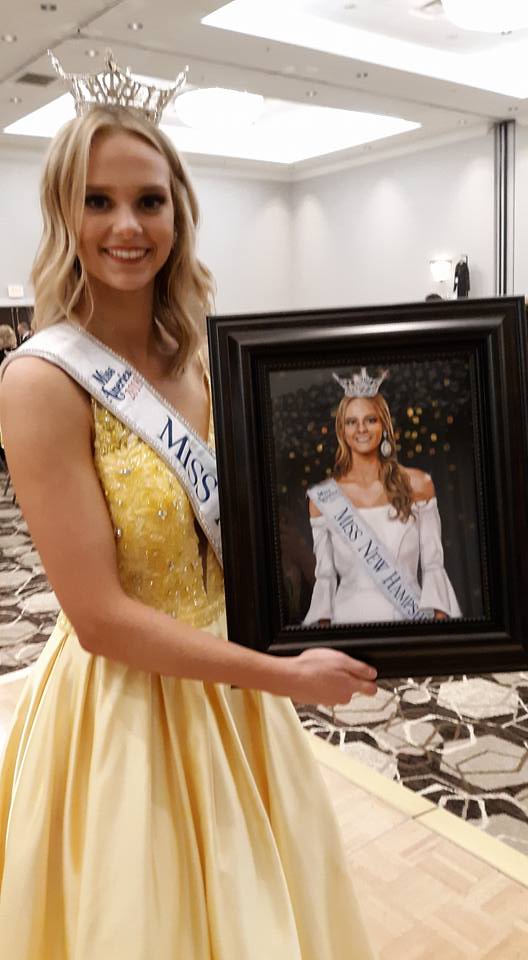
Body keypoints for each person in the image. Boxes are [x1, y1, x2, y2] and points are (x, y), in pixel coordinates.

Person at [0, 54, 378, 959]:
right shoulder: (41, 381)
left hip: (237, 677)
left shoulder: (208, 355)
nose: (127, 226)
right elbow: (96, 620)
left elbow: (252, 531)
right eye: (97, 201)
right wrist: (290, 678)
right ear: (63, 214)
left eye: (150, 200)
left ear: (180, 210)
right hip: (129, 700)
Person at [304, 368, 462, 626]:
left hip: (410, 622)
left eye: (370, 420)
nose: (361, 429)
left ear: (384, 426)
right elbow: (325, 578)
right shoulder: (323, 499)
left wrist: (436, 629)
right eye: (351, 422)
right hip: (348, 627)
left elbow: (434, 564)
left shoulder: (419, 485)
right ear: (342, 431)